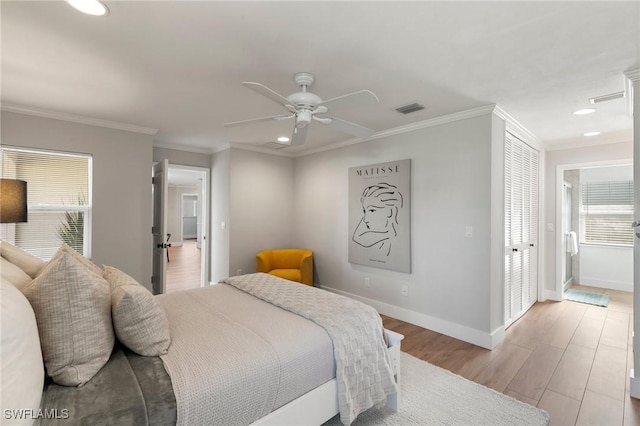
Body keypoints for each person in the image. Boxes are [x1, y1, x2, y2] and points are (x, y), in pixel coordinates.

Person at [352, 182, 403, 257]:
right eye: (364, 211)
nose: (366, 219)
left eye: (372, 210)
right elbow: (357, 237)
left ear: (390, 211)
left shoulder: (396, 242)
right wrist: (387, 235)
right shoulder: (386, 235)